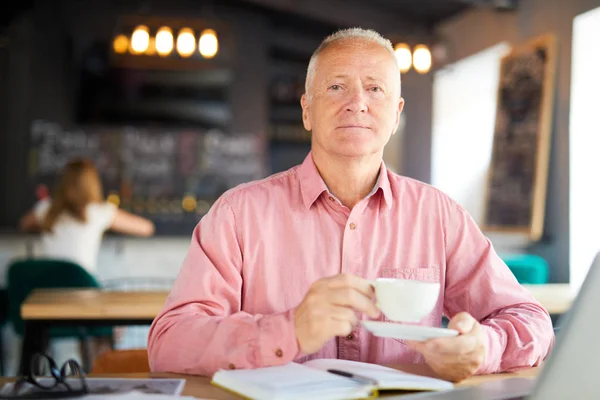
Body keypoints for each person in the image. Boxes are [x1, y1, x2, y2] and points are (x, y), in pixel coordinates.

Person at [148, 28, 554, 382]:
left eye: (375, 88)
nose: (357, 102)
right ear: (307, 110)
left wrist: (483, 347)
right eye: (337, 86)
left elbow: (532, 322)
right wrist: (287, 331)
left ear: (395, 116)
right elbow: (169, 342)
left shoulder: (439, 216)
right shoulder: (238, 215)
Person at [19, 158, 155, 273]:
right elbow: (146, 228)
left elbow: (24, 224)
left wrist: (47, 225)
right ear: (93, 184)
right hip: (82, 285)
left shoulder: (46, 208)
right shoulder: (99, 211)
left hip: (49, 285)